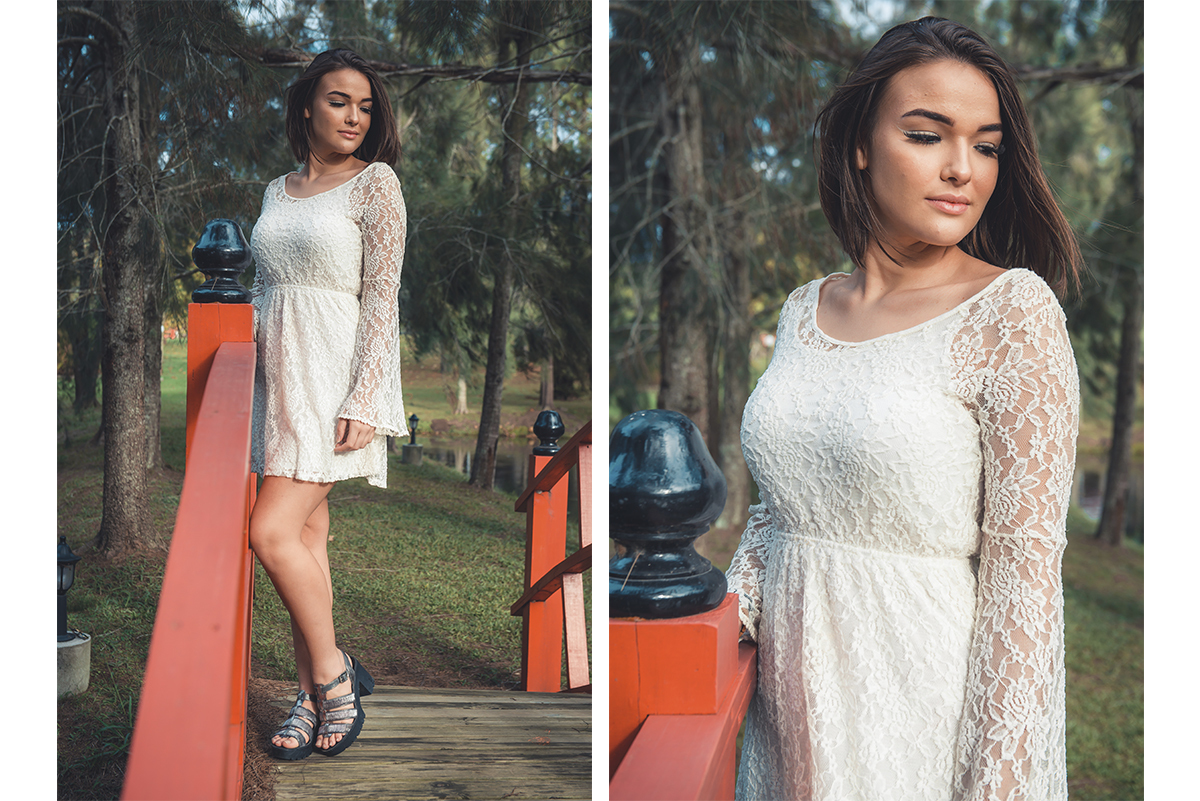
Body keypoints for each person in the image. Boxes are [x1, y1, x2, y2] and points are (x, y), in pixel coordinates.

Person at [727, 17, 1082, 801]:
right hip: (783, 723)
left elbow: (1023, 584)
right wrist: (720, 621)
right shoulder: (799, 310)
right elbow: (780, 508)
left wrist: (990, 788)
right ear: (861, 141)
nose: (963, 169)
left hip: (918, 718)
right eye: (928, 135)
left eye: (986, 146)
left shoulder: (1012, 314)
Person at [247, 48, 407, 760]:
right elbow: (261, 288)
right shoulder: (277, 191)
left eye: (366, 106)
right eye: (340, 101)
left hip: (333, 375)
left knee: (269, 533)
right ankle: (312, 691)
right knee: (305, 541)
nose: (354, 116)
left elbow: (382, 297)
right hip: (275, 378)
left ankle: (334, 676)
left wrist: (366, 394)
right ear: (308, 105)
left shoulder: (376, 185)